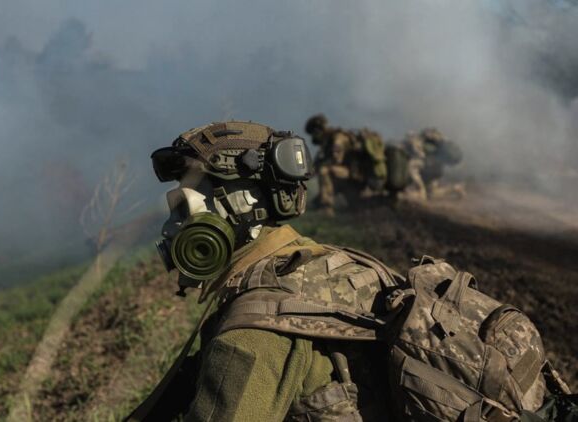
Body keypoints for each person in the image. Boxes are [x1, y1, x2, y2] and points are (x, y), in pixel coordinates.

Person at [125, 121, 565, 422]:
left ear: (241, 205)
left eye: (184, 208)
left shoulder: (252, 334)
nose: (173, 228)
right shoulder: (329, 265)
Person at [305, 115, 387, 214]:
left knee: (325, 171)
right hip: (347, 177)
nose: (313, 138)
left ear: (318, 131)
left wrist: (317, 168)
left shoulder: (338, 139)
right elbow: (317, 164)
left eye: (313, 134)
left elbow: (336, 160)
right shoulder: (327, 141)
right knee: (357, 206)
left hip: (355, 177)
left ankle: (326, 208)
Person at [401, 128, 464, 200]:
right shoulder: (437, 139)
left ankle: (413, 192)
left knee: (424, 193)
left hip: (429, 165)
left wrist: (419, 187)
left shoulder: (438, 143)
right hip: (430, 164)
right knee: (431, 193)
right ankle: (455, 188)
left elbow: (412, 165)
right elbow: (425, 135)